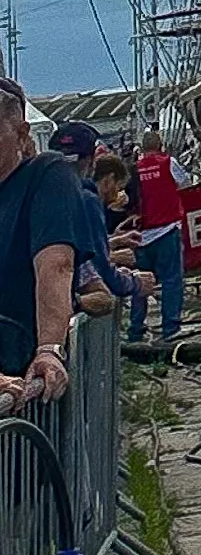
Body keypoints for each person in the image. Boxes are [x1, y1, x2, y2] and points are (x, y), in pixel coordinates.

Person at [0, 79, 79, 408]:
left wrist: (49, 349)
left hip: (20, 361)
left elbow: (56, 263)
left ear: (21, 133)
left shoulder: (46, 174)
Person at [49, 124, 136, 321]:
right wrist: (134, 282)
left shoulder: (39, 196)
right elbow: (95, 265)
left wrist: (111, 243)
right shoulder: (87, 199)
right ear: (92, 160)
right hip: (57, 321)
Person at [127, 128, 194, 350]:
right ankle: (170, 328)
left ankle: (136, 329)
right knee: (172, 280)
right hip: (166, 229)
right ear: (160, 144)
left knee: (139, 283)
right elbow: (185, 183)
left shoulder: (134, 169)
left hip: (141, 234)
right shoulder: (168, 163)